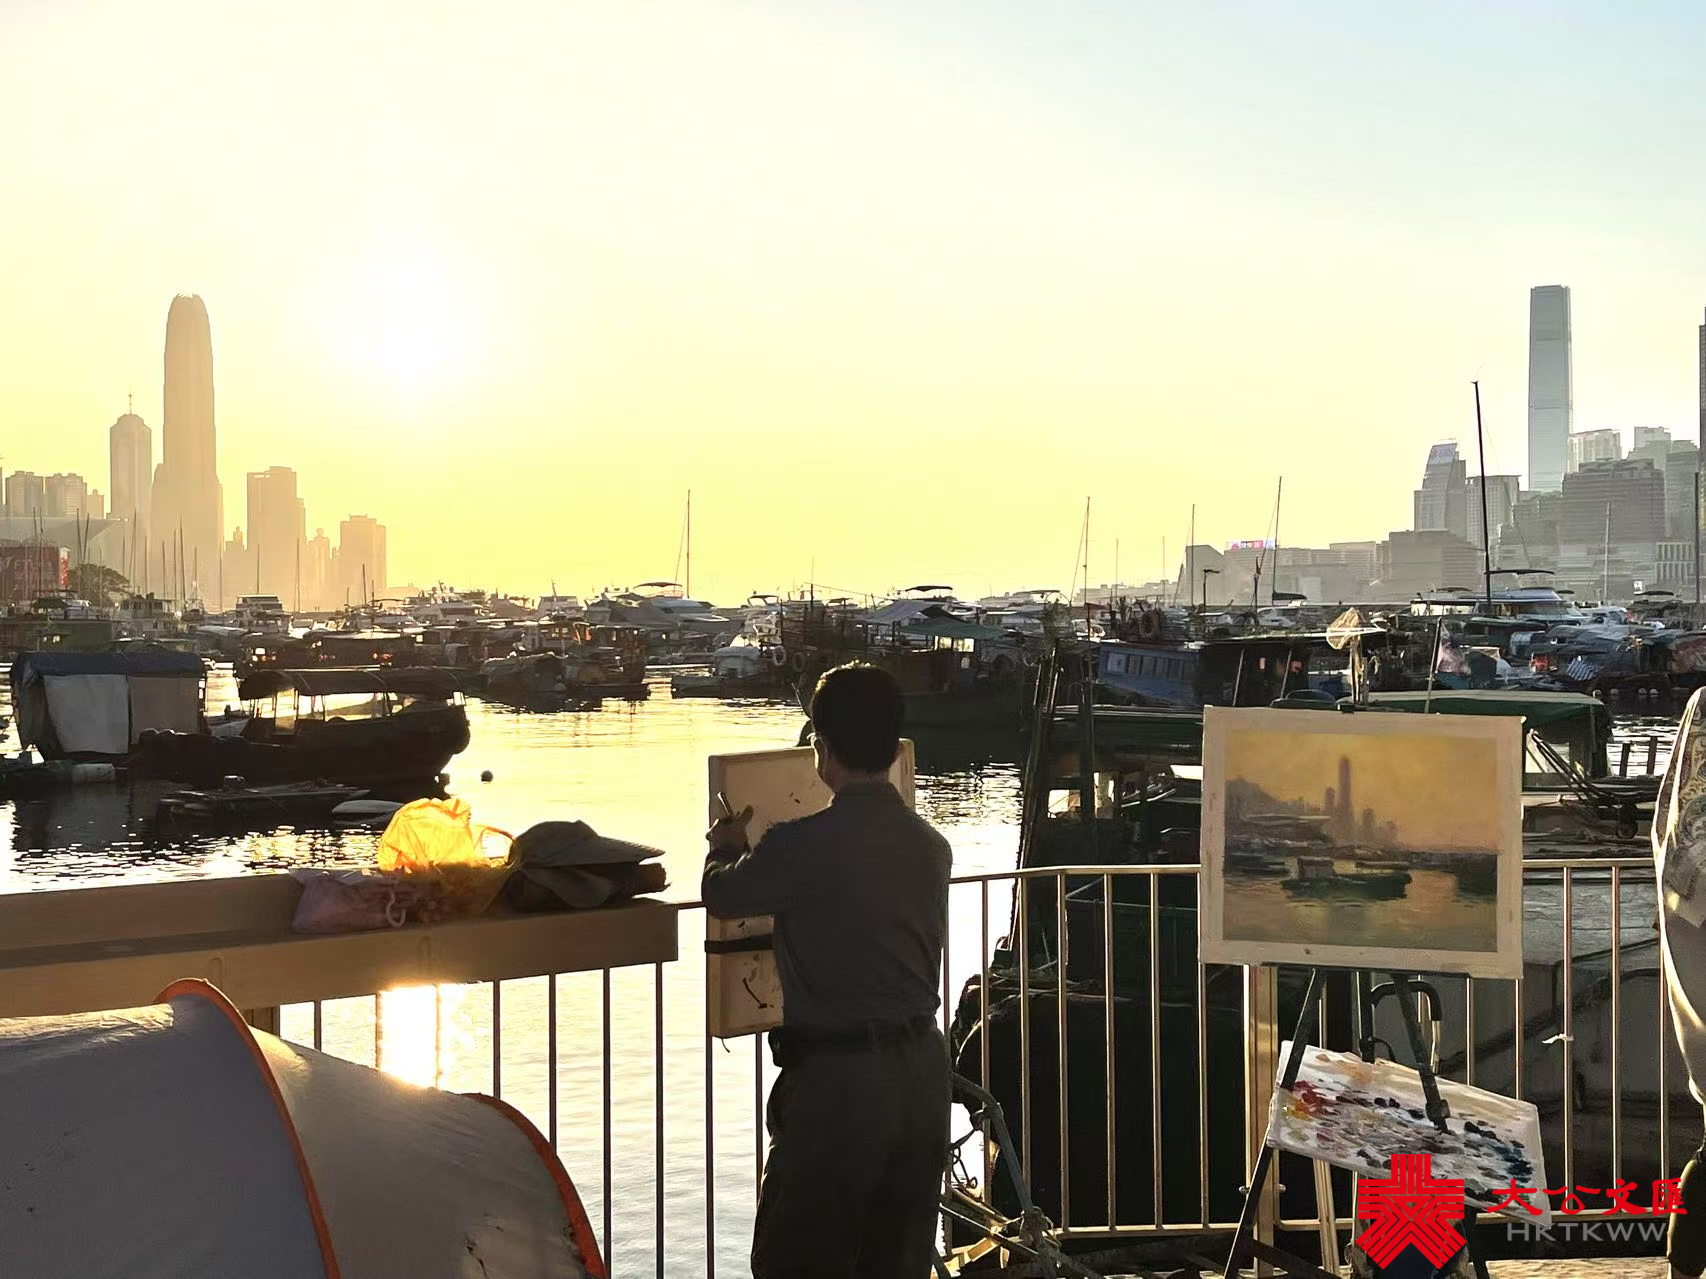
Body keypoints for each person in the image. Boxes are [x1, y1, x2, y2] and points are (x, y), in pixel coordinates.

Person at [702, 662, 952, 1278]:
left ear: (823, 747)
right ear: (894, 748)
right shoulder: (931, 846)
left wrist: (725, 847)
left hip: (838, 1082)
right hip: (922, 1075)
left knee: (798, 1257)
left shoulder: (799, 846)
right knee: (896, 1259)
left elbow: (724, 895)